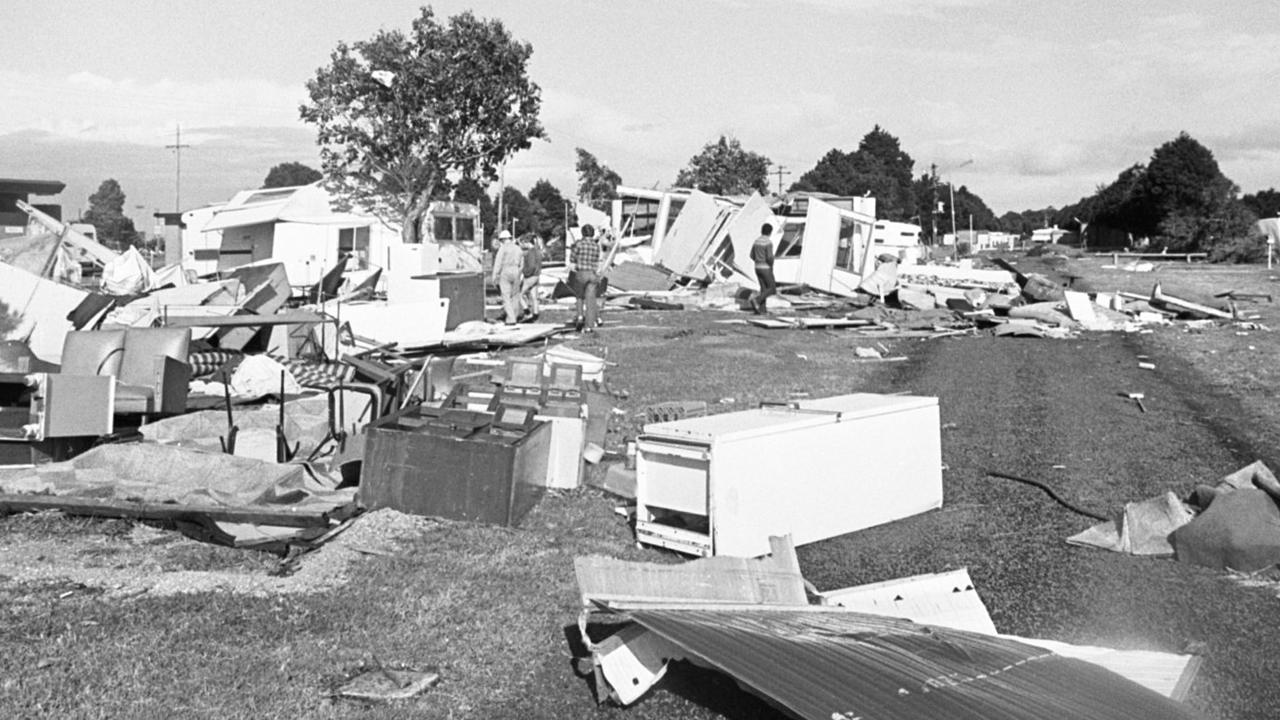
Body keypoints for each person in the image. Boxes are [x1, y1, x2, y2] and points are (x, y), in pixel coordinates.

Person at [569, 224, 602, 333]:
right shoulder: (596, 246)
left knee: (579, 296)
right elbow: (597, 259)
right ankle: (589, 326)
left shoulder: (578, 244)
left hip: (581, 272)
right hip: (592, 273)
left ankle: (579, 316)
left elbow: (572, 258)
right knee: (590, 301)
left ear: (582, 233)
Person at [491, 229, 523, 325]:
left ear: (503, 240)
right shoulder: (518, 248)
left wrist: (494, 276)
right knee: (515, 296)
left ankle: (511, 319)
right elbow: (522, 264)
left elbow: (498, 263)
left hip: (506, 271)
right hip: (516, 271)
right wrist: (519, 273)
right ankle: (514, 317)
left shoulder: (503, 249)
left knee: (506, 296)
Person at [749, 222, 776, 314]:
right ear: (770, 232)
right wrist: (771, 265)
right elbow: (769, 257)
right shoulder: (768, 242)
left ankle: (762, 310)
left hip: (757, 267)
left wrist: (758, 260)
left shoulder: (756, 241)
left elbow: (751, 255)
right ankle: (756, 300)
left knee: (763, 289)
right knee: (772, 288)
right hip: (766, 268)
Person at [519, 234, 543, 322]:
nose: (522, 245)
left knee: (519, 295)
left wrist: (524, 272)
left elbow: (531, 266)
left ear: (527, 242)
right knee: (534, 296)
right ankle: (535, 314)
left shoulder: (530, 252)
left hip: (530, 276)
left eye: (522, 243)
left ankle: (527, 312)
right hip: (537, 275)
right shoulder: (537, 251)